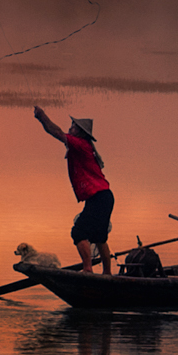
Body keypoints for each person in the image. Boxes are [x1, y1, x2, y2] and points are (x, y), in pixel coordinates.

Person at [32, 106, 114, 272]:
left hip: (99, 197)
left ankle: (87, 269)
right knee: (99, 237)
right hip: (103, 197)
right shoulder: (82, 146)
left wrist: (42, 117)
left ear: (81, 132)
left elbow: (56, 132)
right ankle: (107, 274)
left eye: (74, 127)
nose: (70, 128)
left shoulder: (80, 144)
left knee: (78, 232)